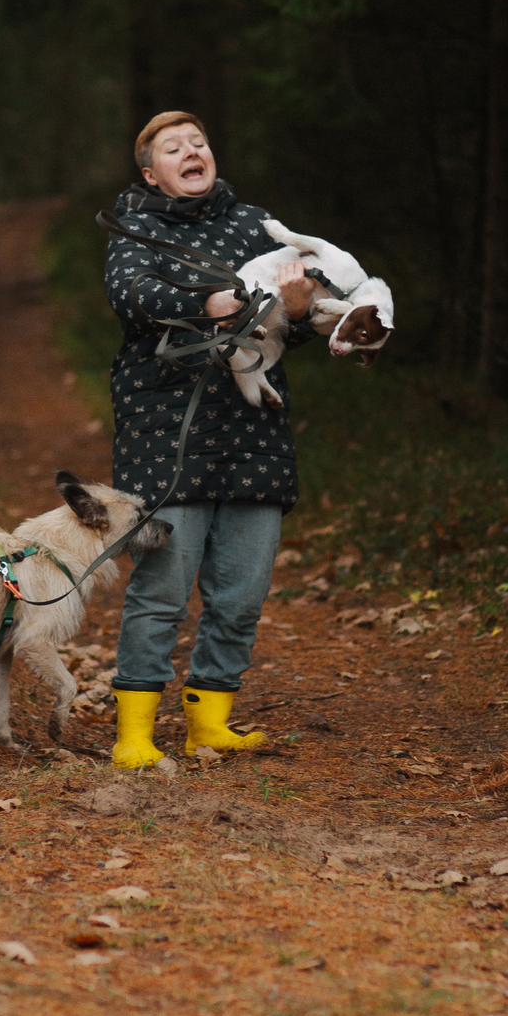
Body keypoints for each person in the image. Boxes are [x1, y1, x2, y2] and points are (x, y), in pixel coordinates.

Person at [103, 110, 317, 767]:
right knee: (162, 589)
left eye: (198, 141)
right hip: (167, 431)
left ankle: (209, 722)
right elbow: (129, 295)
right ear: (152, 172)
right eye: (174, 147)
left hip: (255, 431)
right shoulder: (135, 223)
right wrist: (211, 301)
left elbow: (290, 326)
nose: (192, 150)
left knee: (242, 593)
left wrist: (303, 310)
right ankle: (134, 735)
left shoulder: (258, 224)